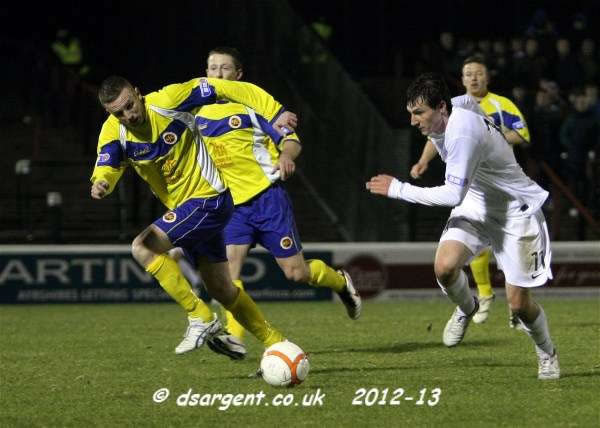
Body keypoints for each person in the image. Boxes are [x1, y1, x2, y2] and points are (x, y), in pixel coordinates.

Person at [366, 73, 560, 380]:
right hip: (476, 205)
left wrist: (397, 189)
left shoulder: (462, 134)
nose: (413, 121)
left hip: (515, 213)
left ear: (441, 108)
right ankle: (468, 307)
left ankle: (547, 352)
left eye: (419, 113)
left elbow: (452, 195)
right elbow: (468, 102)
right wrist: (488, 133)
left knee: (518, 304)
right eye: (411, 113)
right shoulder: (454, 108)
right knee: (444, 267)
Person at [90, 75, 299, 359]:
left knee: (142, 246)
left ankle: (199, 316)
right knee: (222, 289)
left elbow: (224, 87)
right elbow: (108, 164)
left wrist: (275, 112)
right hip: (186, 212)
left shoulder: (169, 100)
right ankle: (278, 344)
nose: (129, 115)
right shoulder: (114, 133)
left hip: (209, 199)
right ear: (110, 114)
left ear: (138, 94)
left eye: (130, 105)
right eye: (119, 113)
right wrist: (102, 181)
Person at [170, 47, 361, 351]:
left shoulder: (253, 105)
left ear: (238, 74)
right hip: (232, 207)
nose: (218, 74)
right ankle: (235, 338)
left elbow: (292, 140)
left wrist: (286, 156)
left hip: (267, 200)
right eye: (212, 68)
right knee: (227, 273)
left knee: (296, 273)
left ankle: (340, 282)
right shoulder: (195, 114)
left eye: (225, 68)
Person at [410, 56, 531, 326]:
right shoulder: (452, 107)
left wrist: (490, 136)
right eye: (468, 74)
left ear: (487, 77)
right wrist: (423, 161)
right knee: (472, 247)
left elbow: (523, 134)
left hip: (502, 188)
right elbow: (434, 136)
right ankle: (484, 296)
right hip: (472, 189)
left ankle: (516, 306)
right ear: (462, 79)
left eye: (478, 73)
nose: (474, 78)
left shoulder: (501, 104)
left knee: (508, 253)